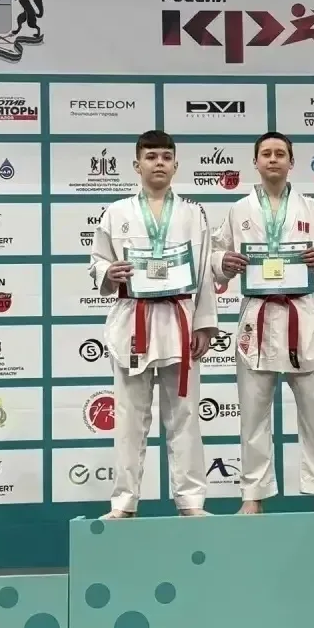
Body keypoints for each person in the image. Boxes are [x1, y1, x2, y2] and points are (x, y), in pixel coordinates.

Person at [211, 132, 314, 513]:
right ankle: (253, 496)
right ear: (256, 162)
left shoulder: (311, 207)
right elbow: (216, 256)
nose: (273, 159)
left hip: (301, 313)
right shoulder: (239, 210)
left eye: (280, 154)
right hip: (258, 316)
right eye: (266, 154)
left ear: (291, 162)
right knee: (253, 414)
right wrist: (223, 263)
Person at [87, 130, 218, 519]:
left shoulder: (193, 214)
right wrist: (109, 271)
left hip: (179, 319)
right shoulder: (116, 212)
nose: (158, 163)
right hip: (134, 320)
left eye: (165, 157)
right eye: (151, 157)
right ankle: (124, 503)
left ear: (176, 165)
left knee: (185, 415)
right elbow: (97, 262)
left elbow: (205, 273)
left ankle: (191, 501)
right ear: (137, 164)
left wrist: (204, 325)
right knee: (129, 417)